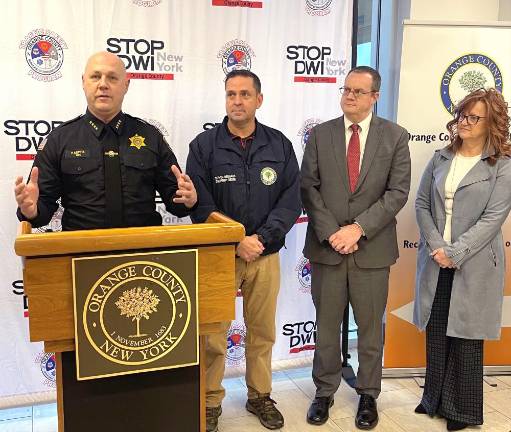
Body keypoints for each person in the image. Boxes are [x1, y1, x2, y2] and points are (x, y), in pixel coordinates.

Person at [186, 69, 301, 432]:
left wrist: (262, 240)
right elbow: (198, 203)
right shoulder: (203, 147)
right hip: (219, 256)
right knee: (213, 335)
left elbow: (291, 198)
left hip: (264, 255)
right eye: (231, 94)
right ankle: (209, 402)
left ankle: (260, 396)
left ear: (259, 100)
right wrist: (235, 239)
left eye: (245, 94)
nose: (237, 100)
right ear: (225, 99)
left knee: (263, 331)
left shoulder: (279, 144)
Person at [301, 66, 410, 430]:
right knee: (327, 327)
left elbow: (397, 193)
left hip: (372, 251)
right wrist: (334, 232)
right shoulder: (320, 134)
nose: (349, 96)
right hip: (328, 247)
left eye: (358, 91)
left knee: (368, 329)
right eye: (346, 89)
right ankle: (324, 392)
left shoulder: (395, 137)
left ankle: (367, 394)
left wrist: (358, 229)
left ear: (375, 96)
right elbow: (309, 187)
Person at [413, 88, 511, 431]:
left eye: (473, 117)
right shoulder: (441, 157)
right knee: (437, 328)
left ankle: (462, 410)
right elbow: (422, 204)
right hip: (436, 258)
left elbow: (493, 219)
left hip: (475, 262)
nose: (464, 123)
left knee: (466, 336)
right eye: (462, 115)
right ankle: (434, 400)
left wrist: (455, 253)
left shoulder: (502, 165)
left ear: (491, 123)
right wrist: (438, 247)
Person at [14, 51, 197, 230]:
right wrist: (31, 211)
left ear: (126, 85)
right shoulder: (59, 140)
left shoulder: (150, 136)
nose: (103, 84)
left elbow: (177, 202)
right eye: (95, 76)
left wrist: (188, 200)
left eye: (112, 78)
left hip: (141, 252)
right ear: (83, 82)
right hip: (80, 252)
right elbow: (41, 209)